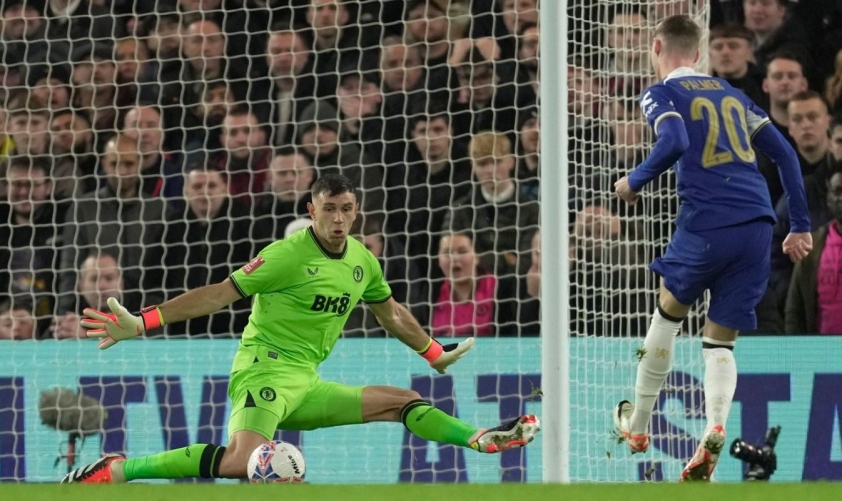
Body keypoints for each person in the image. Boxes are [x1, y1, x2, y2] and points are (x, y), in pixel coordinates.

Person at [61, 174, 540, 484]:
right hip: (264, 371)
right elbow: (219, 293)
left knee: (402, 401)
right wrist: (143, 321)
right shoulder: (286, 255)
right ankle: (119, 469)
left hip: (306, 380)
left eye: (346, 209)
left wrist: (433, 352)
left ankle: (477, 438)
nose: (338, 218)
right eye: (328, 208)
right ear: (312, 209)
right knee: (238, 463)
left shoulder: (362, 261)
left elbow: (389, 312)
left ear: (356, 211)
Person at [612, 15, 812, 482]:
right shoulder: (733, 94)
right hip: (758, 224)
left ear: (657, 47)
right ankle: (716, 425)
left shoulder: (660, 92)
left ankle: (638, 427)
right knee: (719, 341)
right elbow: (784, 155)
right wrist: (799, 225)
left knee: (667, 314)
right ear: (700, 53)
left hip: (708, 220)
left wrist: (634, 180)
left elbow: (676, 139)